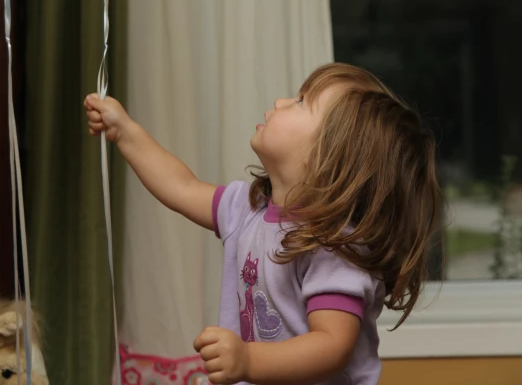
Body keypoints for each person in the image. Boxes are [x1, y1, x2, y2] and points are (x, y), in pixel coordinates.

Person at [85, 62, 442, 385]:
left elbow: (333, 345)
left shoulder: (336, 247)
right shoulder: (247, 210)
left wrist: (248, 359)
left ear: (329, 157)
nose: (281, 100)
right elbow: (182, 187)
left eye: (302, 102)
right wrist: (126, 133)